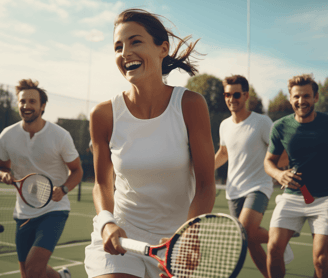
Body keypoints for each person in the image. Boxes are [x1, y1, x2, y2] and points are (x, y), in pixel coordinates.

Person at [84, 8, 216, 278]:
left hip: (174, 242)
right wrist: (107, 222)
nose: (125, 53)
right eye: (118, 46)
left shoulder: (191, 105)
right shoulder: (102, 115)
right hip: (121, 237)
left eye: (135, 41)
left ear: (162, 49)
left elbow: (205, 185)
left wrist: (189, 233)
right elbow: (101, 183)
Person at [0, 79, 83, 278]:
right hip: (23, 212)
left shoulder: (60, 136)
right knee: (27, 273)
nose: (26, 106)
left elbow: (77, 171)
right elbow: (2, 165)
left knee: (34, 269)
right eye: (22, 102)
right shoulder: (7, 135)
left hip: (54, 210)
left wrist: (63, 189)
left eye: (32, 101)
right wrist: (3, 173)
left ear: (42, 106)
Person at [214, 75, 293, 278]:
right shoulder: (224, 125)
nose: (232, 99)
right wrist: (203, 171)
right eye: (227, 94)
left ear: (246, 95)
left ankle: (280, 239)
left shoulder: (262, 122)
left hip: (258, 187)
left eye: (237, 94)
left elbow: (281, 152)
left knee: (247, 231)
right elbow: (223, 153)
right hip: (233, 191)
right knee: (249, 241)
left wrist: (281, 173)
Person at [264, 74, 328, 278]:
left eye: (306, 96)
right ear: (290, 99)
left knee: (321, 260)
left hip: (325, 199)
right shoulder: (280, 127)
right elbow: (269, 161)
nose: (301, 101)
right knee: (274, 250)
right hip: (292, 196)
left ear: (316, 97)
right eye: (297, 97)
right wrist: (279, 174)